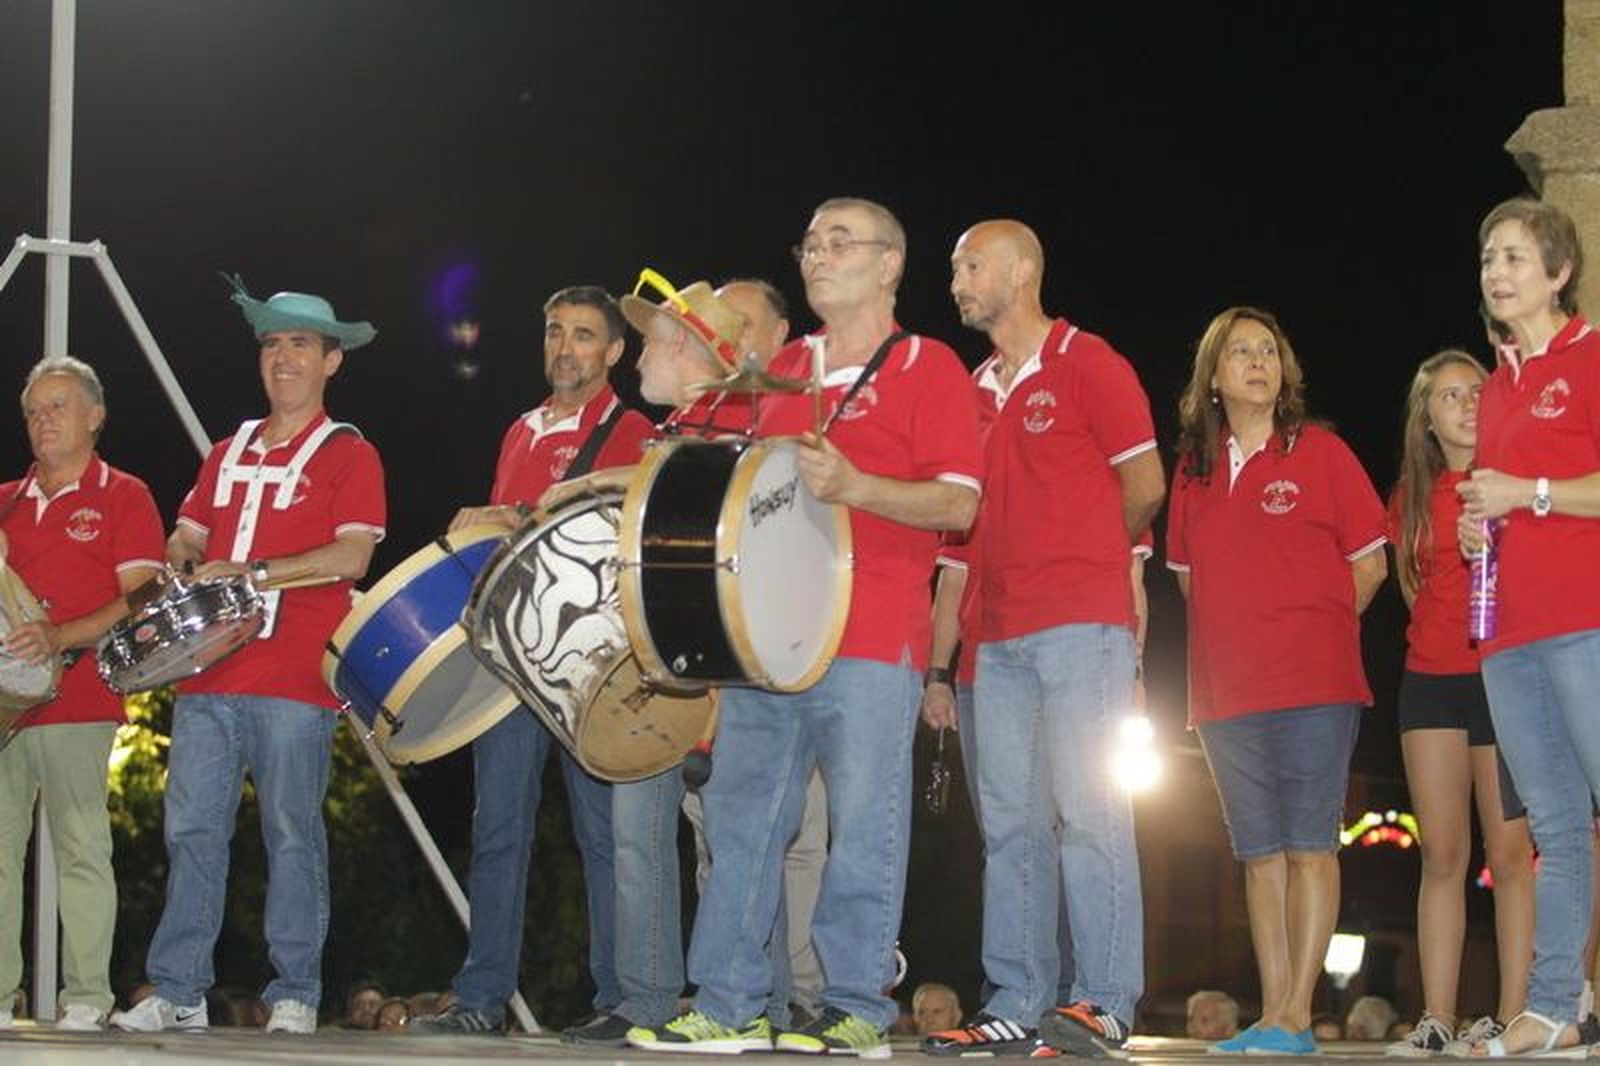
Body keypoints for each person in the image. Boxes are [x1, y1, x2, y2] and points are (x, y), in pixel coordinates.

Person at [627, 196, 981, 1058]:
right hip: (765, 642)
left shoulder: (927, 367)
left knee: (865, 826)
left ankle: (857, 1006)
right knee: (744, 821)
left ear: (891, 264)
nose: (817, 257)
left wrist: (858, 488)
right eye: (810, 244)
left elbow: (960, 503)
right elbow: (723, 472)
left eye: (839, 243)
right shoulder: (781, 368)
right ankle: (729, 1003)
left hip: (872, 638)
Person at [110, 283, 387, 1035]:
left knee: (292, 831)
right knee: (190, 830)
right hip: (206, 669)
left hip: (296, 673)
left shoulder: (350, 453)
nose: (283, 357)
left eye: (300, 344)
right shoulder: (228, 448)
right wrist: (185, 553)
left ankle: (295, 989)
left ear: (332, 360)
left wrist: (253, 572)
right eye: (271, 344)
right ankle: (178, 990)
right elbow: (188, 530)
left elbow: (353, 553)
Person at [923, 220, 1163, 1058]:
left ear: (1022, 271)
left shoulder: (1090, 363)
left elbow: (1145, 485)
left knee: (1092, 814)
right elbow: (956, 531)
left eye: (971, 264)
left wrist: (1089, 564)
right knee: (1011, 827)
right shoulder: (972, 387)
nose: (956, 279)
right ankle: (1017, 997)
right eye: (955, 267)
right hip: (995, 640)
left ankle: (1103, 999)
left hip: (1079, 629)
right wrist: (943, 660)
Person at [411, 285, 653, 1036]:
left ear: (613, 351)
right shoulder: (520, 428)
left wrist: (509, 516)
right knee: (498, 829)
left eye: (583, 335)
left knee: (603, 835)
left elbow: (613, 520)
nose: (565, 348)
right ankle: (482, 999)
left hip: (588, 658)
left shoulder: (631, 425)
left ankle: (620, 997)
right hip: (510, 657)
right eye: (555, 332)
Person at [1166, 306, 1387, 1056]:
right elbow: (1193, 584)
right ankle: (1271, 1013)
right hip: (1226, 697)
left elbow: (1370, 564)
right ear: (1215, 377)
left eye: (1269, 350)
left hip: (1315, 687)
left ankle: (1296, 1012)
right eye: (1240, 352)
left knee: (1308, 846)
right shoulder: (1193, 472)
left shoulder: (1321, 452)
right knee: (1258, 855)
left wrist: (1312, 630)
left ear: (1285, 371)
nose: (1258, 361)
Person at [553, 276, 754, 1047]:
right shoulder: (671, 431)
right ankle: (646, 999)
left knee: (724, 845)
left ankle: (741, 998)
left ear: (694, 352)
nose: (638, 352)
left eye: (654, 339)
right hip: (659, 663)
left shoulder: (739, 426)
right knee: (639, 835)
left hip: (718, 674)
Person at [1454, 197, 1600, 1057]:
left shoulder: (1591, 361)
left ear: (1559, 272)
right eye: (1486, 259)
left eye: (1513, 257)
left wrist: (1528, 495)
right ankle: (1554, 1006)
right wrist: (1482, 528)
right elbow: (1499, 499)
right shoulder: (1500, 385)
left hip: (1586, 620)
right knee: (1552, 825)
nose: (1497, 274)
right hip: (1508, 633)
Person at [0, 356, 165, 1032]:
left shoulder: (124, 495)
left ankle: (88, 997)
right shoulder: (4, 500)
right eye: (34, 411)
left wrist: (59, 633)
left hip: (79, 698)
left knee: (81, 847)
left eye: (57, 406)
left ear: (96, 416)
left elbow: (145, 595)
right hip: (4, 709)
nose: (43, 421)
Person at [1384, 350, 1533, 1056]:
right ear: (1428, 417)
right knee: (1441, 854)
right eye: (1449, 395)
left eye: (1477, 390)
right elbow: (1417, 591)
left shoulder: (1518, 481)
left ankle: (1511, 1015)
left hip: (1504, 677)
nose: (1467, 403)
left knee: (1509, 854)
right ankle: (1436, 1017)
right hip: (1431, 680)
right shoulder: (1410, 497)